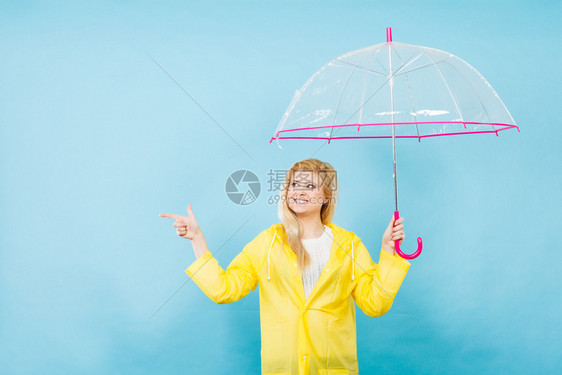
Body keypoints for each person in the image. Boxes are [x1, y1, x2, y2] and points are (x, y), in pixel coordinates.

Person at [159, 158, 410, 375]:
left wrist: (388, 251)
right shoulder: (268, 243)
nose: (298, 192)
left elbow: (375, 304)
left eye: (309, 186)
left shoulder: (350, 245)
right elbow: (224, 289)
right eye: (293, 184)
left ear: (326, 196)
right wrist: (197, 239)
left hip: (333, 367)